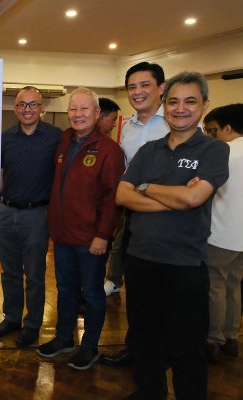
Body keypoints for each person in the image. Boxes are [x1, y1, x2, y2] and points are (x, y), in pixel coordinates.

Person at [116, 72, 229, 400]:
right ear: (165, 105)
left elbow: (194, 198)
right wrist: (175, 197)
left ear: (204, 105)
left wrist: (145, 186)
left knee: (186, 347)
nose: (180, 108)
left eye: (190, 101)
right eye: (174, 101)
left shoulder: (213, 150)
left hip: (185, 265)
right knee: (144, 340)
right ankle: (149, 393)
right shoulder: (149, 149)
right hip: (139, 260)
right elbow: (121, 195)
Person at [36, 88, 124, 370]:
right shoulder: (64, 142)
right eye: (73, 109)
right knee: (65, 290)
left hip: (91, 240)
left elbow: (112, 198)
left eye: (84, 109)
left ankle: (90, 346)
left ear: (97, 113)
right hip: (62, 235)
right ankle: (64, 339)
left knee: (93, 294)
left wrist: (103, 235)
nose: (78, 114)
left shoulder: (110, 151)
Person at [100, 62, 169, 367]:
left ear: (161, 88)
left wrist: (141, 190)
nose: (137, 92)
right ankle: (136, 348)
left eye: (145, 85)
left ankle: (159, 353)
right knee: (137, 288)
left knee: (161, 289)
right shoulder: (127, 127)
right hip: (132, 216)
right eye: (132, 86)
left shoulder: (175, 124)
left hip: (166, 220)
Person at [0, 86, 61, 348]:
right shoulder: (5, 138)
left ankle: (33, 324)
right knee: (10, 272)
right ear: (15, 109)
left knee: (35, 274)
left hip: (37, 214)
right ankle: (12, 318)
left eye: (33, 104)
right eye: (22, 105)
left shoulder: (56, 137)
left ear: (42, 108)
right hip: (6, 212)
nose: (28, 110)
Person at [201, 104, 243, 363]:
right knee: (233, 285)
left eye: (212, 131)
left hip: (221, 234)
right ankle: (231, 337)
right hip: (241, 239)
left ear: (227, 128)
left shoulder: (225, 154)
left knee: (214, 286)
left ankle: (213, 340)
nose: (210, 136)